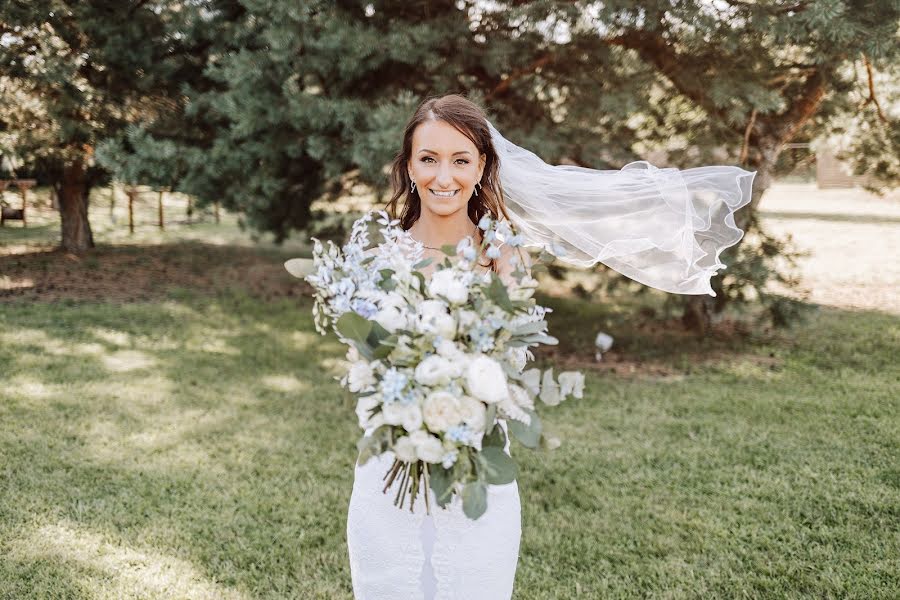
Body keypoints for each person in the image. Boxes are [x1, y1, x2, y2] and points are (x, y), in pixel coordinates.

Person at [346, 95, 523, 600]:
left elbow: (513, 369)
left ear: (482, 165)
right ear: (408, 165)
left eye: (460, 160)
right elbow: (362, 366)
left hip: (477, 475)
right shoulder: (379, 255)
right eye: (428, 159)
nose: (443, 177)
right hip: (388, 476)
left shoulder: (501, 257)